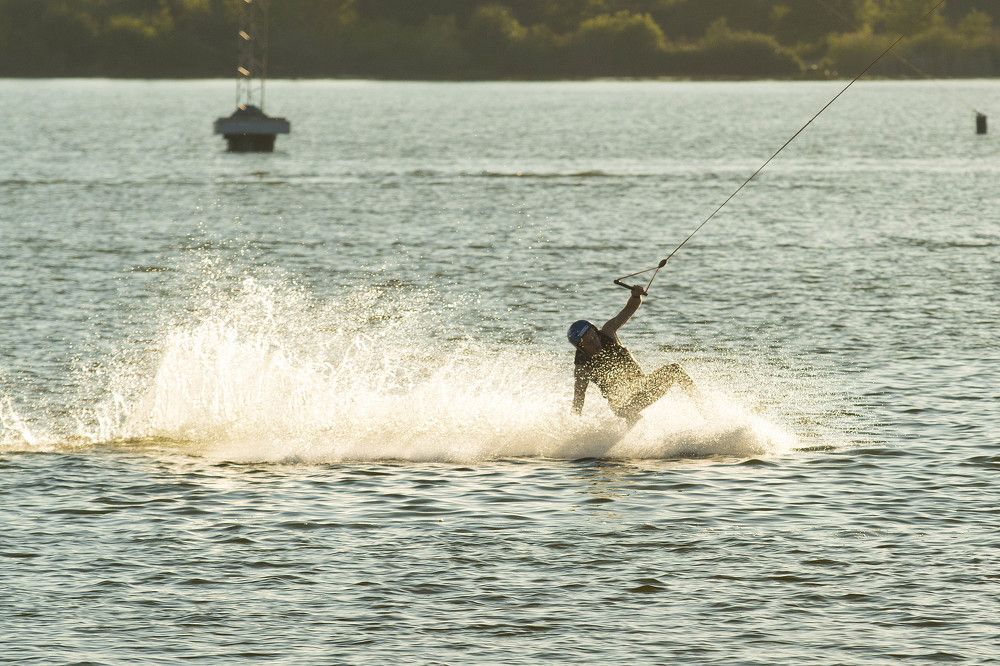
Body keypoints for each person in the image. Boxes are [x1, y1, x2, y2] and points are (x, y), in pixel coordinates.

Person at [569, 285, 702, 426]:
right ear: (581, 347)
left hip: (643, 387)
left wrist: (635, 296)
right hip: (622, 405)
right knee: (627, 411)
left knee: (675, 369)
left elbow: (629, 309)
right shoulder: (582, 367)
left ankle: (705, 409)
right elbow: (578, 398)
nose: (595, 342)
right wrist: (573, 427)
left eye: (594, 336)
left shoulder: (608, 332)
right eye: (588, 342)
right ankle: (634, 440)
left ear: (595, 331)